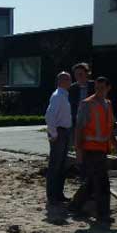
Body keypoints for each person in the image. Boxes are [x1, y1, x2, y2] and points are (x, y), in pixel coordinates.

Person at [68, 77, 117, 224]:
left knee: (93, 182)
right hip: (90, 149)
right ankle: (102, 214)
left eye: (102, 88)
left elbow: (109, 128)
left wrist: (116, 147)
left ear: (108, 88)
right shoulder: (87, 104)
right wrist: (79, 152)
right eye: (97, 88)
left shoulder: (108, 104)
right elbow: (79, 129)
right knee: (103, 183)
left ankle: (75, 205)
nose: (98, 90)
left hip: (102, 149)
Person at [44, 71, 72, 205]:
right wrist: (53, 134)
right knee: (55, 165)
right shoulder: (57, 96)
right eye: (68, 79)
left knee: (62, 166)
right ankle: (52, 195)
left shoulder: (64, 95)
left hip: (65, 131)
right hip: (59, 133)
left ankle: (59, 194)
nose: (70, 81)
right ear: (61, 81)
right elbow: (50, 116)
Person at [68, 62, 95, 129]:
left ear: (87, 74)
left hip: (92, 121)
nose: (78, 76)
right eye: (76, 74)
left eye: (80, 74)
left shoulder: (94, 86)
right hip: (76, 123)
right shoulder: (71, 89)